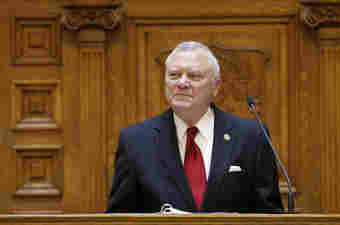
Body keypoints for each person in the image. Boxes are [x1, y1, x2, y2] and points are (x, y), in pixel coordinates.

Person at [106, 41, 283, 213]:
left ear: (215, 86)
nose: (182, 83)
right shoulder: (135, 141)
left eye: (194, 76)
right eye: (174, 75)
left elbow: (270, 215)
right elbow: (118, 218)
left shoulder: (251, 137)